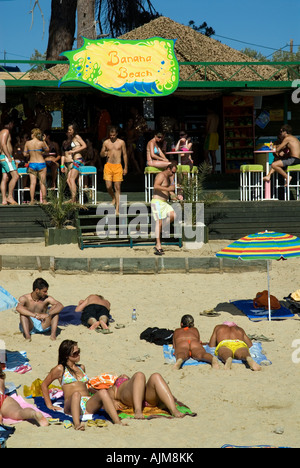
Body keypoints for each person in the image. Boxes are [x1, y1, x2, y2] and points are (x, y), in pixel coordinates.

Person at [41, 340, 123, 430]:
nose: (78, 354)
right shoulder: (60, 369)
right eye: (75, 353)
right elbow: (44, 385)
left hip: (87, 403)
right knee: (76, 394)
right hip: (71, 402)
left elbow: (87, 388)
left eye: (78, 351)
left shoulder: (81, 367)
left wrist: (109, 399)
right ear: (66, 355)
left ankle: (117, 422)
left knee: (103, 391)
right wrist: (49, 405)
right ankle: (77, 425)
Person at [107, 372, 185, 419]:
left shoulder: (134, 382)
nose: (123, 375)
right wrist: (113, 401)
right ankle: (138, 410)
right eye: (121, 376)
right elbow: (106, 396)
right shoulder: (115, 386)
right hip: (129, 397)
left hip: (146, 399)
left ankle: (174, 410)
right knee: (139, 375)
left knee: (156, 376)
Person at [16, 277, 63, 342]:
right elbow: (18, 308)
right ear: (37, 290)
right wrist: (34, 315)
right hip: (30, 325)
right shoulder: (24, 298)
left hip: (43, 325)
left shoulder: (47, 298)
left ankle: (53, 335)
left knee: (55, 313)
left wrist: (48, 314)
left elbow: (60, 305)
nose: (46, 293)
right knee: (23, 314)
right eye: (44, 291)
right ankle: (27, 336)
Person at [151, 162, 178, 256]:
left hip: (164, 203)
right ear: (168, 169)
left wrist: (174, 195)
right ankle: (158, 245)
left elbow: (168, 190)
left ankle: (161, 228)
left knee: (173, 215)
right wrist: (169, 189)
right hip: (157, 202)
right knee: (158, 222)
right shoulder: (161, 175)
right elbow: (156, 186)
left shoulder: (168, 177)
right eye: (172, 172)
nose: (173, 174)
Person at [100, 126, 128, 215]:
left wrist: (126, 167)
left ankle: (117, 209)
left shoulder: (121, 142)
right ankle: (113, 197)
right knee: (108, 186)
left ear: (116, 134)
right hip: (108, 166)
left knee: (117, 187)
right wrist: (103, 153)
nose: (112, 136)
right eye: (110, 135)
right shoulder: (106, 142)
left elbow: (124, 155)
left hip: (118, 166)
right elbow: (101, 154)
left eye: (113, 135)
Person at [61, 123, 87, 203]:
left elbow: (84, 145)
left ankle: (74, 199)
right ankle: (74, 198)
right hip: (75, 160)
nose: (69, 131)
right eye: (68, 130)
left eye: (70, 130)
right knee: (69, 179)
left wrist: (74, 151)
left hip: (78, 160)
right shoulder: (72, 138)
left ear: (74, 130)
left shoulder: (77, 137)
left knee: (72, 179)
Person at [23, 128, 49, 205]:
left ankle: (32, 200)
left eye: (31, 133)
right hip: (41, 163)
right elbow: (47, 150)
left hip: (32, 164)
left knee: (32, 183)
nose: (30, 135)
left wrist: (30, 153)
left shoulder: (27, 143)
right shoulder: (41, 143)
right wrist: (44, 140)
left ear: (33, 134)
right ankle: (44, 201)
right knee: (42, 183)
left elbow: (24, 154)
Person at [0, 117, 19, 205]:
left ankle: (4, 200)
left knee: (5, 178)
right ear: (10, 123)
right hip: (6, 157)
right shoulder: (5, 131)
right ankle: (10, 197)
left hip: (3, 157)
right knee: (15, 176)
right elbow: (3, 144)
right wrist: (8, 156)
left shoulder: (2, 132)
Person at [203, 107, 219, 173]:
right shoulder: (217, 116)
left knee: (205, 153)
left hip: (210, 135)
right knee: (213, 153)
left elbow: (207, 126)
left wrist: (205, 135)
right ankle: (213, 169)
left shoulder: (209, 116)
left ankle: (208, 169)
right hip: (215, 135)